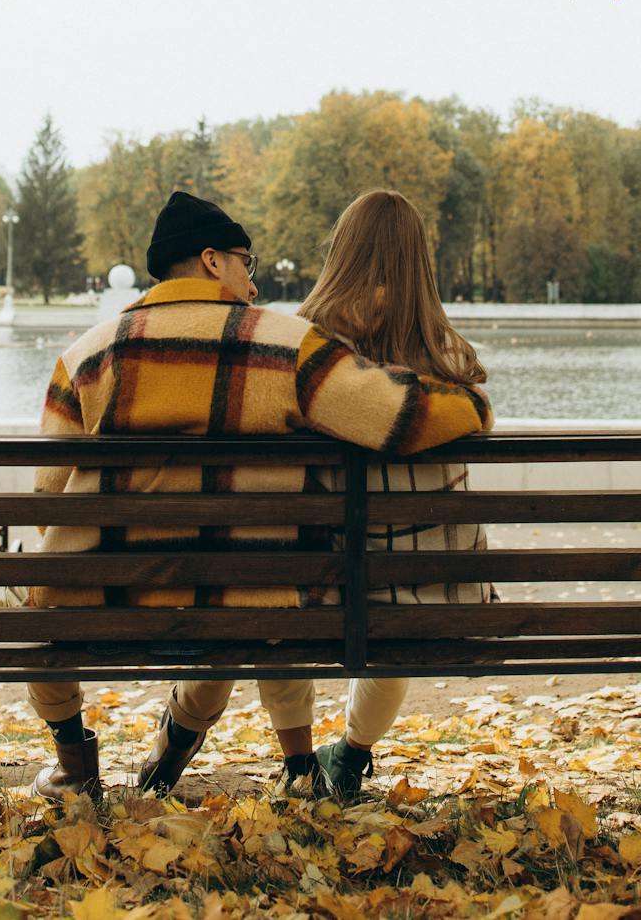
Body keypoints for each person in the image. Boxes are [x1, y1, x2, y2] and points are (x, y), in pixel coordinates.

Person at [28, 189, 492, 803]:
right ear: (214, 260)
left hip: (101, 594)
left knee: (33, 605)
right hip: (247, 590)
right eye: (247, 261)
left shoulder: (85, 355)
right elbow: (397, 418)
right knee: (248, 596)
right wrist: (473, 404)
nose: (254, 278)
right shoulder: (283, 347)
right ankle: (293, 767)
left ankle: (74, 762)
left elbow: (47, 495)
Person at [298, 189, 494, 801]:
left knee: (334, 584)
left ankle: (297, 763)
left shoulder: (310, 347)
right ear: (419, 261)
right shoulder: (450, 359)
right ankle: (352, 757)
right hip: (443, 587)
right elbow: (466, 410)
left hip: (323, 583)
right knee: (397, 610)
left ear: (342, 252)